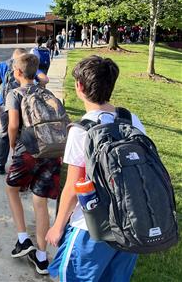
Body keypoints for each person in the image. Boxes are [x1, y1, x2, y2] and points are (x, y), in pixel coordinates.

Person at [46, 55, 145, 281]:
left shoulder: (82, 130)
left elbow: (73, 186)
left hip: (90, 229)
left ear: (79, 87)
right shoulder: (131, 120)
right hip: (129, 225)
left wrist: (58, 225)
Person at [5, 53, 62, 275]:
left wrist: (12, 147)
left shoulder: (15, 94)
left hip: (27, 150)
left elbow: (13, 125)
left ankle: (22, 239)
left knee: (12, 189)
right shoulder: (46, 92)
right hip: (51, 151)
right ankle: (41, 257)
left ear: (17, 73)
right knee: (41, 203)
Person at [0, 48, 49, 175]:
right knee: (27, 133)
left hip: (6, 105)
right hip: (26, 105)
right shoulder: (28, 66)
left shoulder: (3, 65)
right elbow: (45, 79)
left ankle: (1, 163)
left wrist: (1, 80)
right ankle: (26, 163)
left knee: (5, 134)